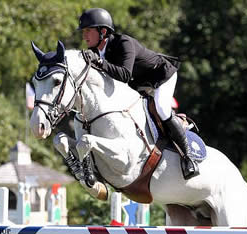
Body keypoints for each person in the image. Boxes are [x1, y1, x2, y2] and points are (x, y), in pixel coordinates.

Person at [77, 8, 199, 179]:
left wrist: (99, 62)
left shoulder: (123, 43)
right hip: (139, 83)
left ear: (103, 31)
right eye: (84, 31)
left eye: (88, 30)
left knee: (162, 109)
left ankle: (188, 157)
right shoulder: (97, 52)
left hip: (162, 76)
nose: (84, 35)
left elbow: (125, 75)